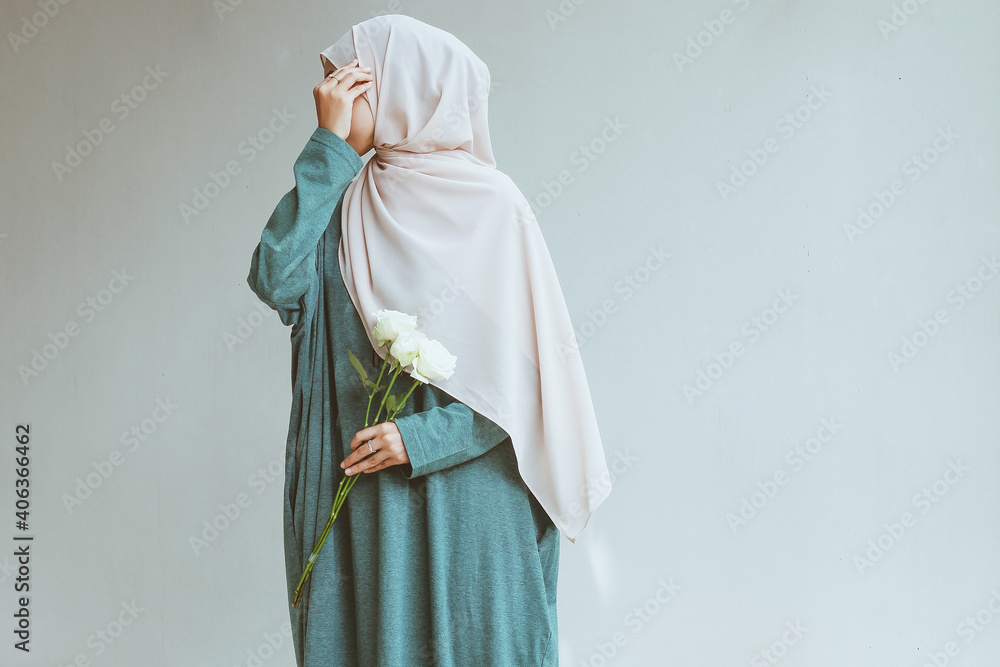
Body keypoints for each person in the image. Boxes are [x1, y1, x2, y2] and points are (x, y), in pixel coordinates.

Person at [247, 14, 611, 666]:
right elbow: (275, 277)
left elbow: (530, 387)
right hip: (372, 514)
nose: (326, 96)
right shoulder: (341, 207)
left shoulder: (495, 210)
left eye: (345, 80)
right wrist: (327, 148)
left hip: (470, 506)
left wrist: (417, 438)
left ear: (400, 87)